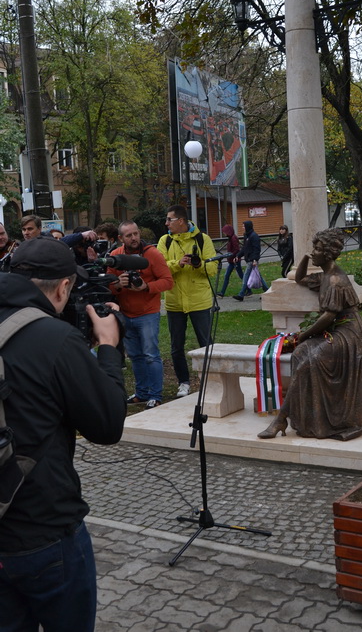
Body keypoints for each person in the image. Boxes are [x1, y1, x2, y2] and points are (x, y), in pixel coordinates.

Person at [0, 235, 126, 632]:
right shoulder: (55, 340)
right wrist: (108, 347)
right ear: (63, 286)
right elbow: (106, 425)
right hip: (44, 531)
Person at [258, 228, 362, 441]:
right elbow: (300, 277)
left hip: (349, 334)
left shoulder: (335, 280)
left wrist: (304, 334)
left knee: (310, 362)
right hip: (337, 330)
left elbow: (329, 316)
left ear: (328, 253)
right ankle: (309, 418)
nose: (314, 252)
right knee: (300, 354)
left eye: (317, 249)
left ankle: (281, 419)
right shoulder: (325, 275)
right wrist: (304, 257)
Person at [108, 220, 173, 408]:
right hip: (126, 313)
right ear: (121, 238)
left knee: (151, 355)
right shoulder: (115, 256)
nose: (134, 238)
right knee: (135, 356)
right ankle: (141, 393)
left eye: (136, 233)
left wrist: (146, 286)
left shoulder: (152, 254)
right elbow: (108, 285)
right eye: (129, 235)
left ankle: (155, 395)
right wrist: (118, 284)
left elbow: (168, 281)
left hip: (148, 313)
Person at [157, 204, 217, 398]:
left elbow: (213, 268)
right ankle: (183, 382)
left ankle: (212, 380)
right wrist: (178, 263)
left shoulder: (203, 239)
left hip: (199, 301)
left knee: (206, 344)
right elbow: (159, 268)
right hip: (174, 302)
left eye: (169, 219)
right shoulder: (165, 241)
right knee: (176, 346)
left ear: (181, 221)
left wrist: (198, 264)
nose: (166, 223)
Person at [232, 220, 269, 301]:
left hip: (252, 260)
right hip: (249, 259)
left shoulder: (254, 236)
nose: (242, 227)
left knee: (246, 276)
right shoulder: (247, 236)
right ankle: (267, 291)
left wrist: (255, 259)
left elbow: (257, 249)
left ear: (247, 226)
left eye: (243, 226)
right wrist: (238, 255)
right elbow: (245, 248)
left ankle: (241, 294)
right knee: (258, 276)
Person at [217, 223, 243, 297]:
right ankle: (222, 292)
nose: (224, 233)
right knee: (228, 275)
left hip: (235, 260)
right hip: (232, 261)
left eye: (224, 232)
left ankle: (248, 289)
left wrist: (231, 255)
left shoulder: (233, 238)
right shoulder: (231, 238)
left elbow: (237, 249)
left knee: (240, 275)